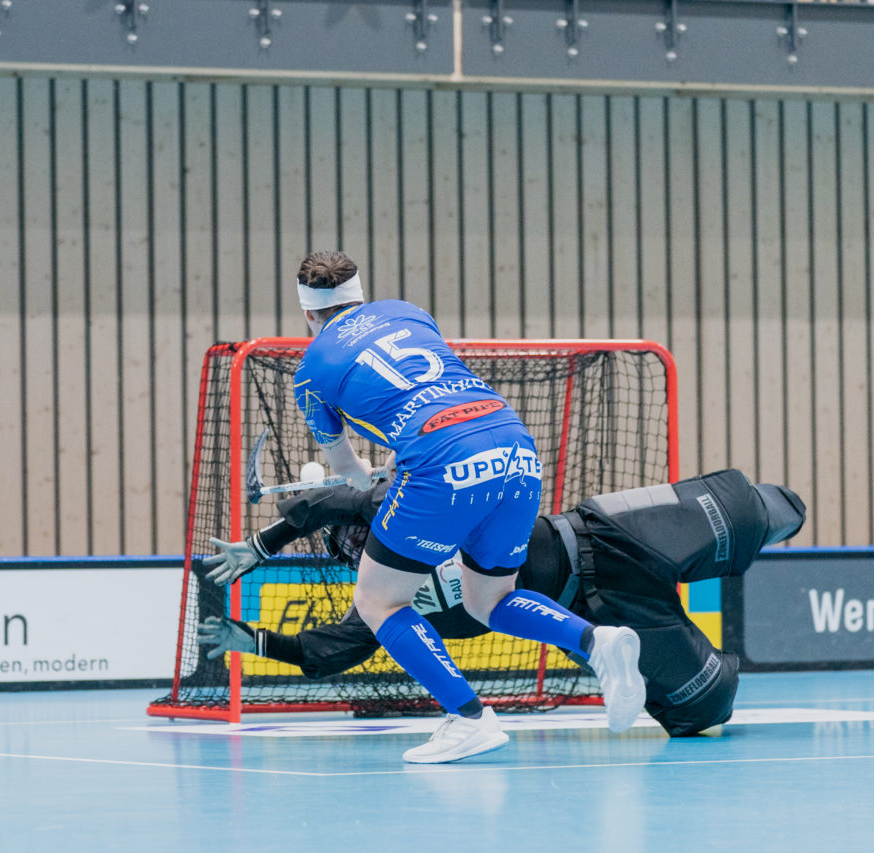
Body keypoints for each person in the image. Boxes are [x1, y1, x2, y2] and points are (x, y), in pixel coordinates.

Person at [236, 250, 644, 763]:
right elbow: (433, 392)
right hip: (512, 444)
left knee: (379, 602)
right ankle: (595, 641)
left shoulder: (311, 372)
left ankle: (470, 718)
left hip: (441, 463)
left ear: (308, 314)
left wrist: (373, 469)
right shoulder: (407, 312)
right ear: (360, 296)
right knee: (489, 600)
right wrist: (404, 456)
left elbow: (350, 472)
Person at [201, 468, 806, 737]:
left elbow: (345, 499)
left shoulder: (407, 512)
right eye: (350, 547)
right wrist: (248, 640)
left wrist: (267, 542)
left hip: (606, 534)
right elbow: (321, 653)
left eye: (361, 530)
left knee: (760, 509)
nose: (362, 540)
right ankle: (615, 651)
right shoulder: (379, 605)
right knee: (705, 709)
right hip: (603, 611)